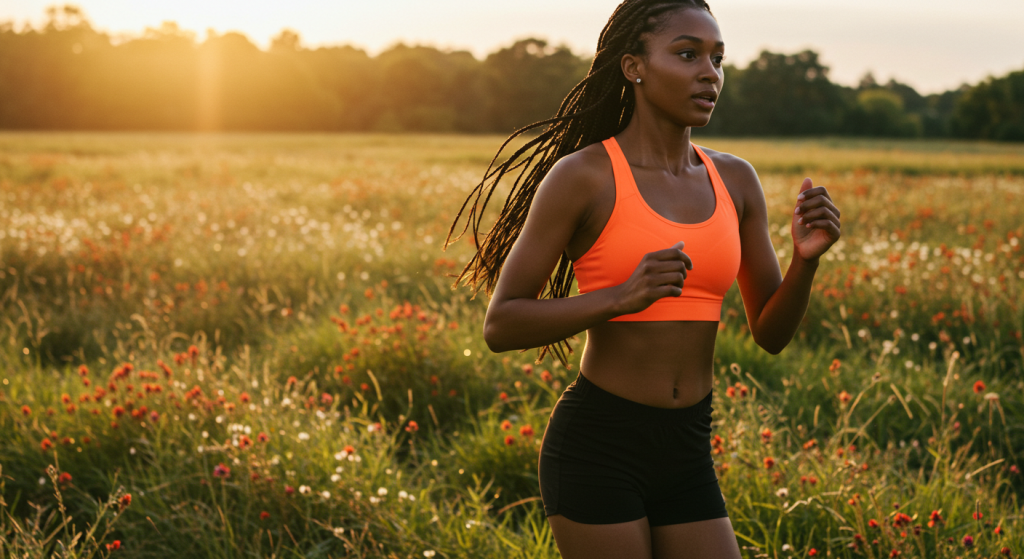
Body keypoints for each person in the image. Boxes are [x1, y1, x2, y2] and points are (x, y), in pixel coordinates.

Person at [445, 1, 841, 557]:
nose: (711, 73)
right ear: (634, 67)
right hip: (599, 445)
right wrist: (620, 296)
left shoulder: (736, 180)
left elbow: (770, 335)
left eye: (718, 59)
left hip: (688, 447)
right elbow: (502, 323)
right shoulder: (583, 176)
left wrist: (806, 261)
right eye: (688, 54)